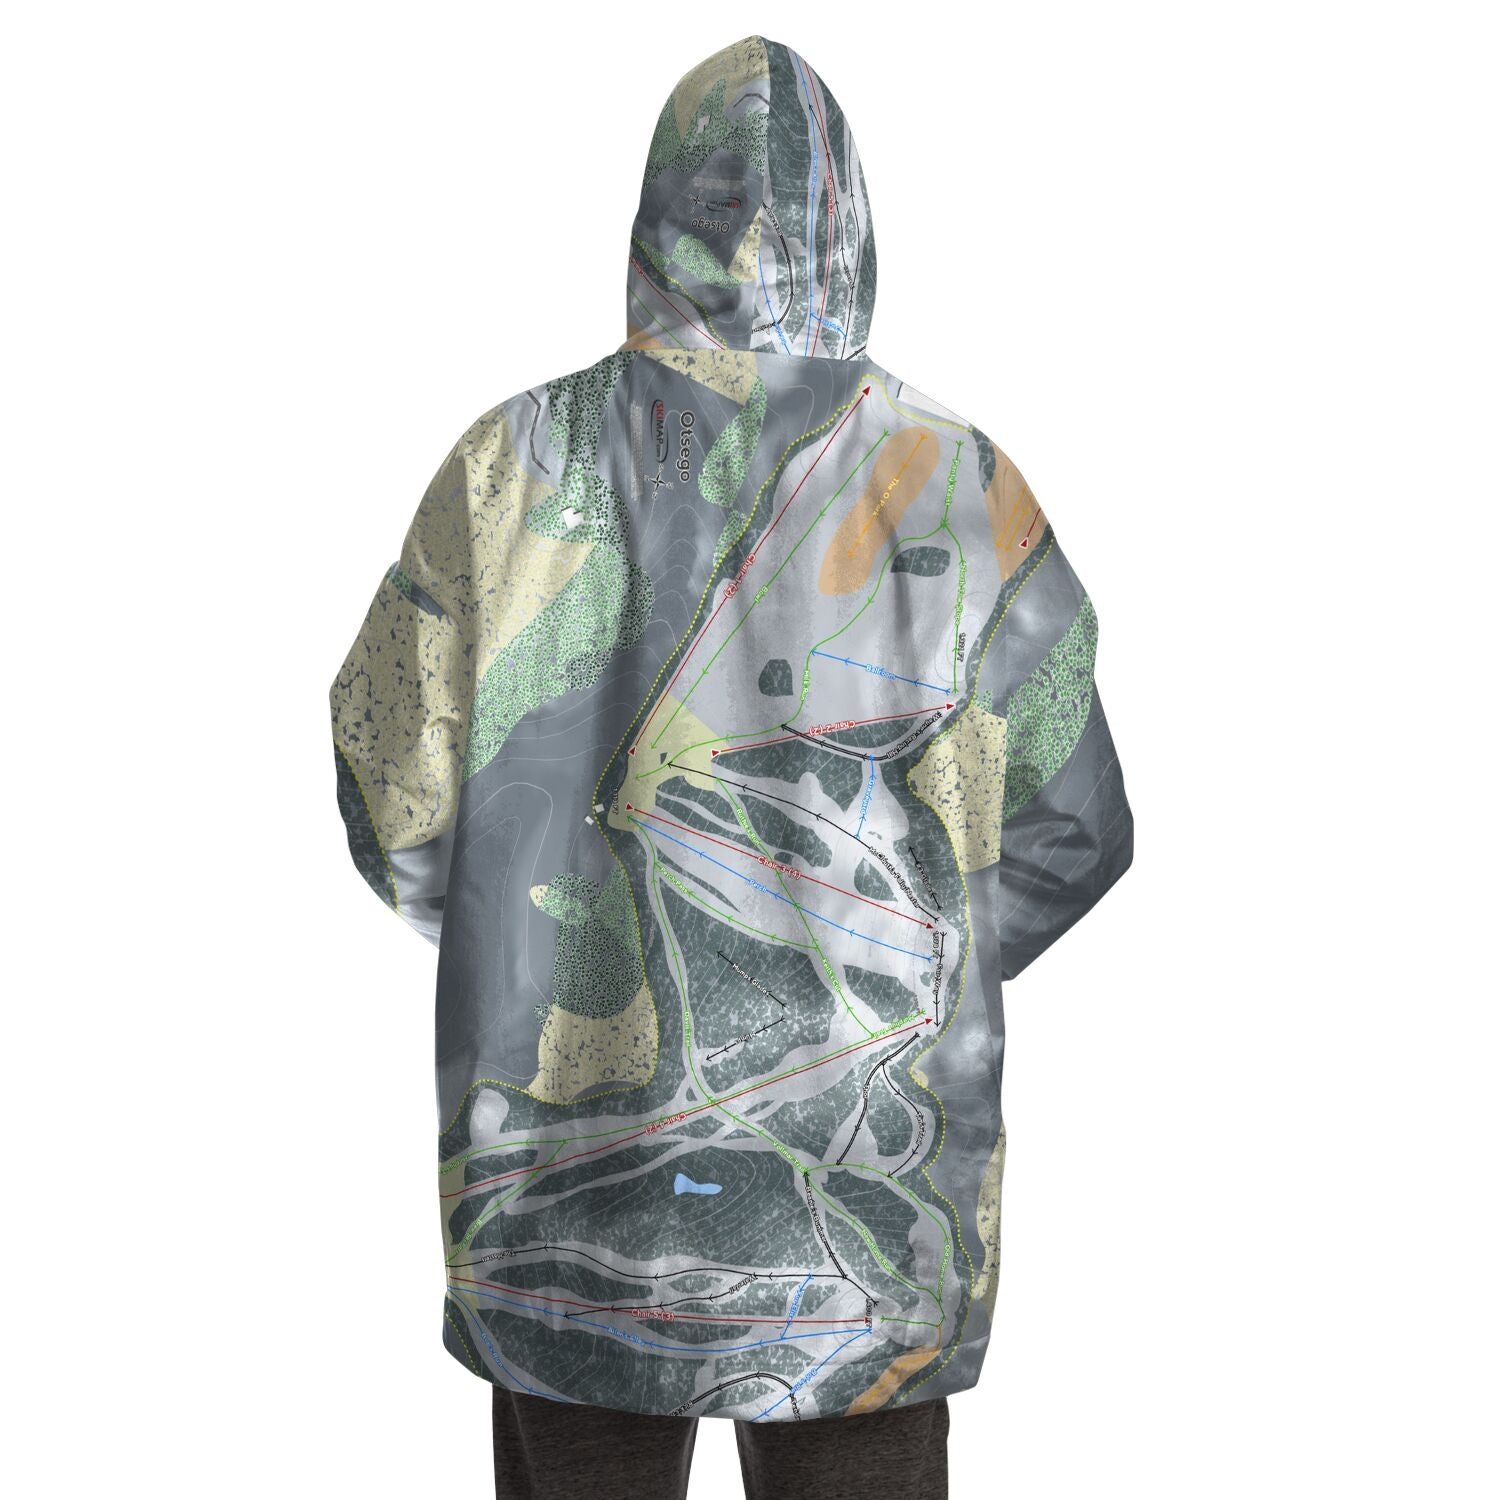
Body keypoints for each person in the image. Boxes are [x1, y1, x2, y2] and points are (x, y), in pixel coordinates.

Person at [328, 32, 1134, 1499]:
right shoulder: (960, 484)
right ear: (853, 223)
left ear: (652, 220)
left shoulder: (506, 466)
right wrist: (901, 967)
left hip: (555, 1184)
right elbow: (1076, 825)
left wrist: (531, 943)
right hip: (867, 1216)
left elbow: (395, 798)